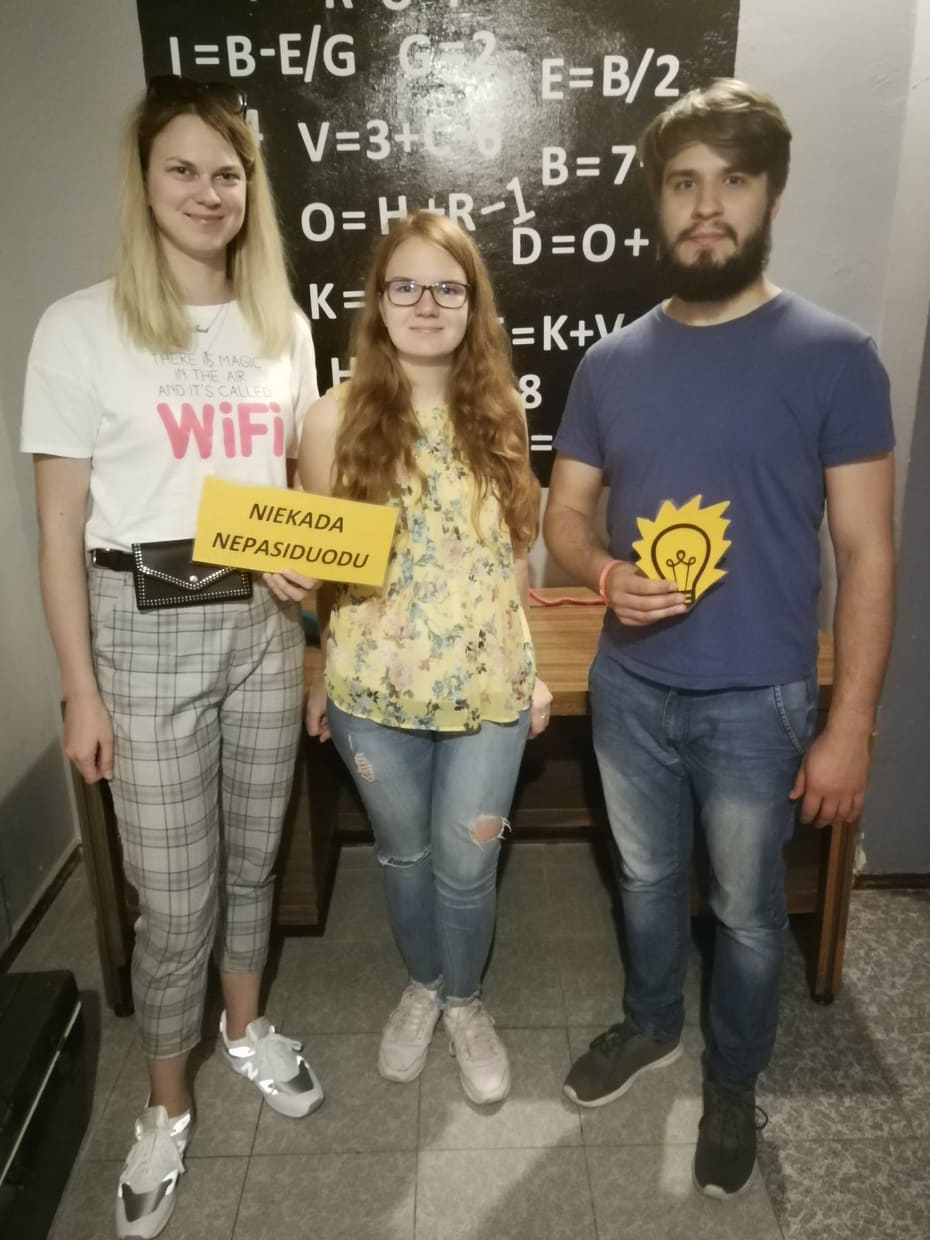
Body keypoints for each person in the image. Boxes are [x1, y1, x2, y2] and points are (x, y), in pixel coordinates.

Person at [544, 79, 894, 1198]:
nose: (707, 206)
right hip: (631, 689)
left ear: (770, 196)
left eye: (732, 181)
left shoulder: (837, 355)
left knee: (746, 913)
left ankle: (735, 1077)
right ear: (659, 201)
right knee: (646, 879)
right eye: (685, 183)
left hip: (762, 701)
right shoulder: (612, 363)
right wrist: (605, 573)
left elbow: (869, 554)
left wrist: (850, 727)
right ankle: (654, 1024)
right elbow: (564, 515)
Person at [21, 77, 324, 1239]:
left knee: (255, 858)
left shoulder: (280, 323)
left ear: (251, 190)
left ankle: (245, 1030)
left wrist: (307, 577)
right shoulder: (78, 326)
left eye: (227, 173)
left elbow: (291, 491)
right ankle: (165, 1101)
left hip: (259, 628)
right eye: (183, 170)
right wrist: (79, 688)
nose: (208, 192)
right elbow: (58, 528)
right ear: (144, 184)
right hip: (140, 632)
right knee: (173, 894)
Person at [299, 211, 552, 1105]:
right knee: (402, 858)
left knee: (467, 864)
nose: (426, 304)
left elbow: (513, 554)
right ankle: (425, 985)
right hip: (373, 692)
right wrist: (315, 656)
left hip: (486, 689)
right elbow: (324, 565)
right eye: (404, 285)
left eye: (448, 288)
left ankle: (466, 1002)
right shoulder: (330, 418)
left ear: (473, 304)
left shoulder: (501, 410)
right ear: (377, 301)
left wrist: (532, 666)